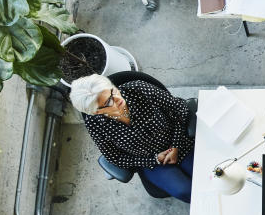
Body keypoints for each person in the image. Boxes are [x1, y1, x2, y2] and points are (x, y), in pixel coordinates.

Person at [69, 74, 195, 203]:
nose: (117, 98)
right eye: (108, 102)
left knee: (209, 176)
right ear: (96, 111)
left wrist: (175, 145)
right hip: (151, 162)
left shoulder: (140, 89)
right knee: (185, 190)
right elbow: (114, 157)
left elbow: (181, 110)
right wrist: (154, 159)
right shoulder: (94, 123)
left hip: (179, 141)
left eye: (113, 91)